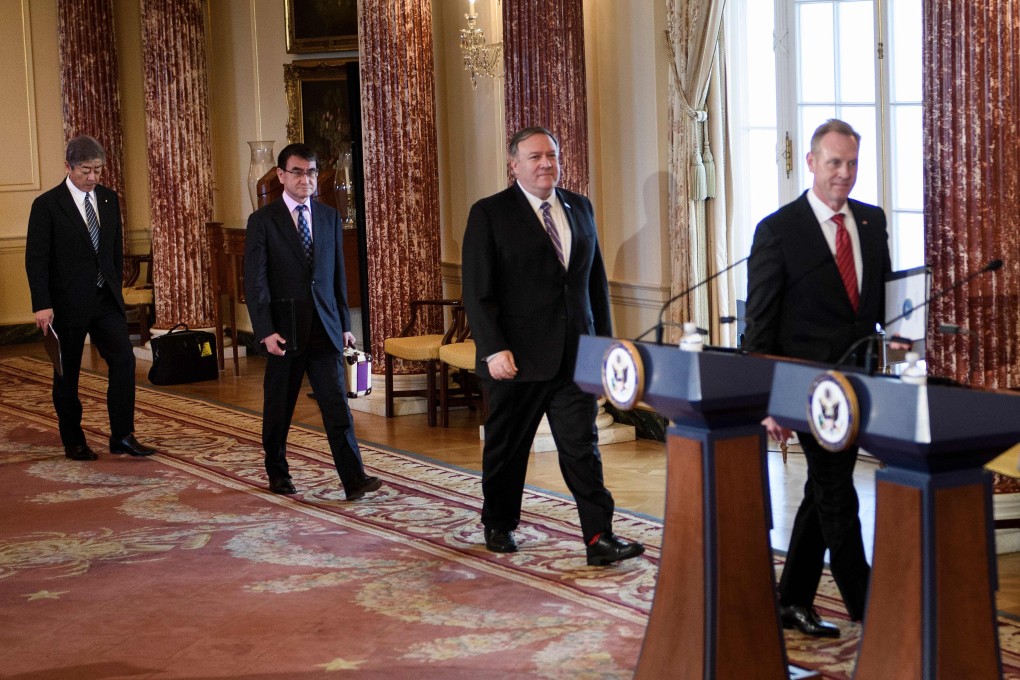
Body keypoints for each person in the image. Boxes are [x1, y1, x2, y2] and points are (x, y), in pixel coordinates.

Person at [461, 126, 644, 566]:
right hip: (515, 361)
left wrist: (603, 351)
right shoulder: (490, 213)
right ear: (514, 165)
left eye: (551, 155)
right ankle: (499, 524)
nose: (545, 164)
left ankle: (599, 536)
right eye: (534, 157)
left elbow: (594, 286)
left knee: (582, 448)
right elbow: (477, 291)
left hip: (575, 357)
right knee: (507, 449)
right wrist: (493, 348)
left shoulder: (579, 208)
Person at [745, 119, 894, 637]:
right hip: (805, 389)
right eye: (834, 163)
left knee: (819, 491)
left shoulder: (872, 223)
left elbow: (880, 308)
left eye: (852, 163)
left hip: (859, 385)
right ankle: (868, 605)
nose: (845, 174)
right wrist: (767, 402)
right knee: (836, 492)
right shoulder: (779, 230)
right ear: (811, 163)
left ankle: (792, 599)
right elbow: (759, 326)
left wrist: (897, 340)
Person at [243, 143, 382, 501]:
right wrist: (265, 331)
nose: (306, 179)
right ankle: (278, 473)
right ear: (281, 175)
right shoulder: (263, 221)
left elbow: (336, 275)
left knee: (337, 406)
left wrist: (345, 322)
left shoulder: (328, 217)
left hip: (325, 327)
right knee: (279, 408)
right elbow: (255, 281)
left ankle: (354, 479)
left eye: (312, 172)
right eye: (298, 172)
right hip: (284, 331)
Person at [25, 135, 156, 461]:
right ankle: (74, 440)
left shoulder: (109, 200)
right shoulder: (47, 206)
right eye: (86, 170)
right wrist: (42, 304)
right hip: (65, 304)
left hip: (105, 300)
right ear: (68, 167)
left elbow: (112, 253)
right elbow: (36, 259)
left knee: (124, 362)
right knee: (66, 373)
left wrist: (115, 288)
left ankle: (122, 435)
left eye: (98, 170)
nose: (94, 177)